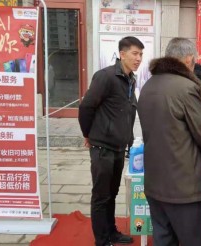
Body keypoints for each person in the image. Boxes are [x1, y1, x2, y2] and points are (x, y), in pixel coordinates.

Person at [137, 37, 201, 246]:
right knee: (195, 240)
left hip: (155, 181)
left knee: (164, 239)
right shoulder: (186, 87)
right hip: (183, 187)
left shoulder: (148, 85)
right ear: (190, 60)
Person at [78, 36, 144, 246]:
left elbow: (126, 112)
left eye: (141, 54)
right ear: (122, 54)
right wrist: (88, 135)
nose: (138, 58)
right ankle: (102, 240)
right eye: (135, 53)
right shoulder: (105, 77)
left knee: (112, 193)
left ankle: (112, 232)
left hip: (118, 147)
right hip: (102, 146)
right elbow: (86, 107)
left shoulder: (130, 79)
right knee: (101, 196)